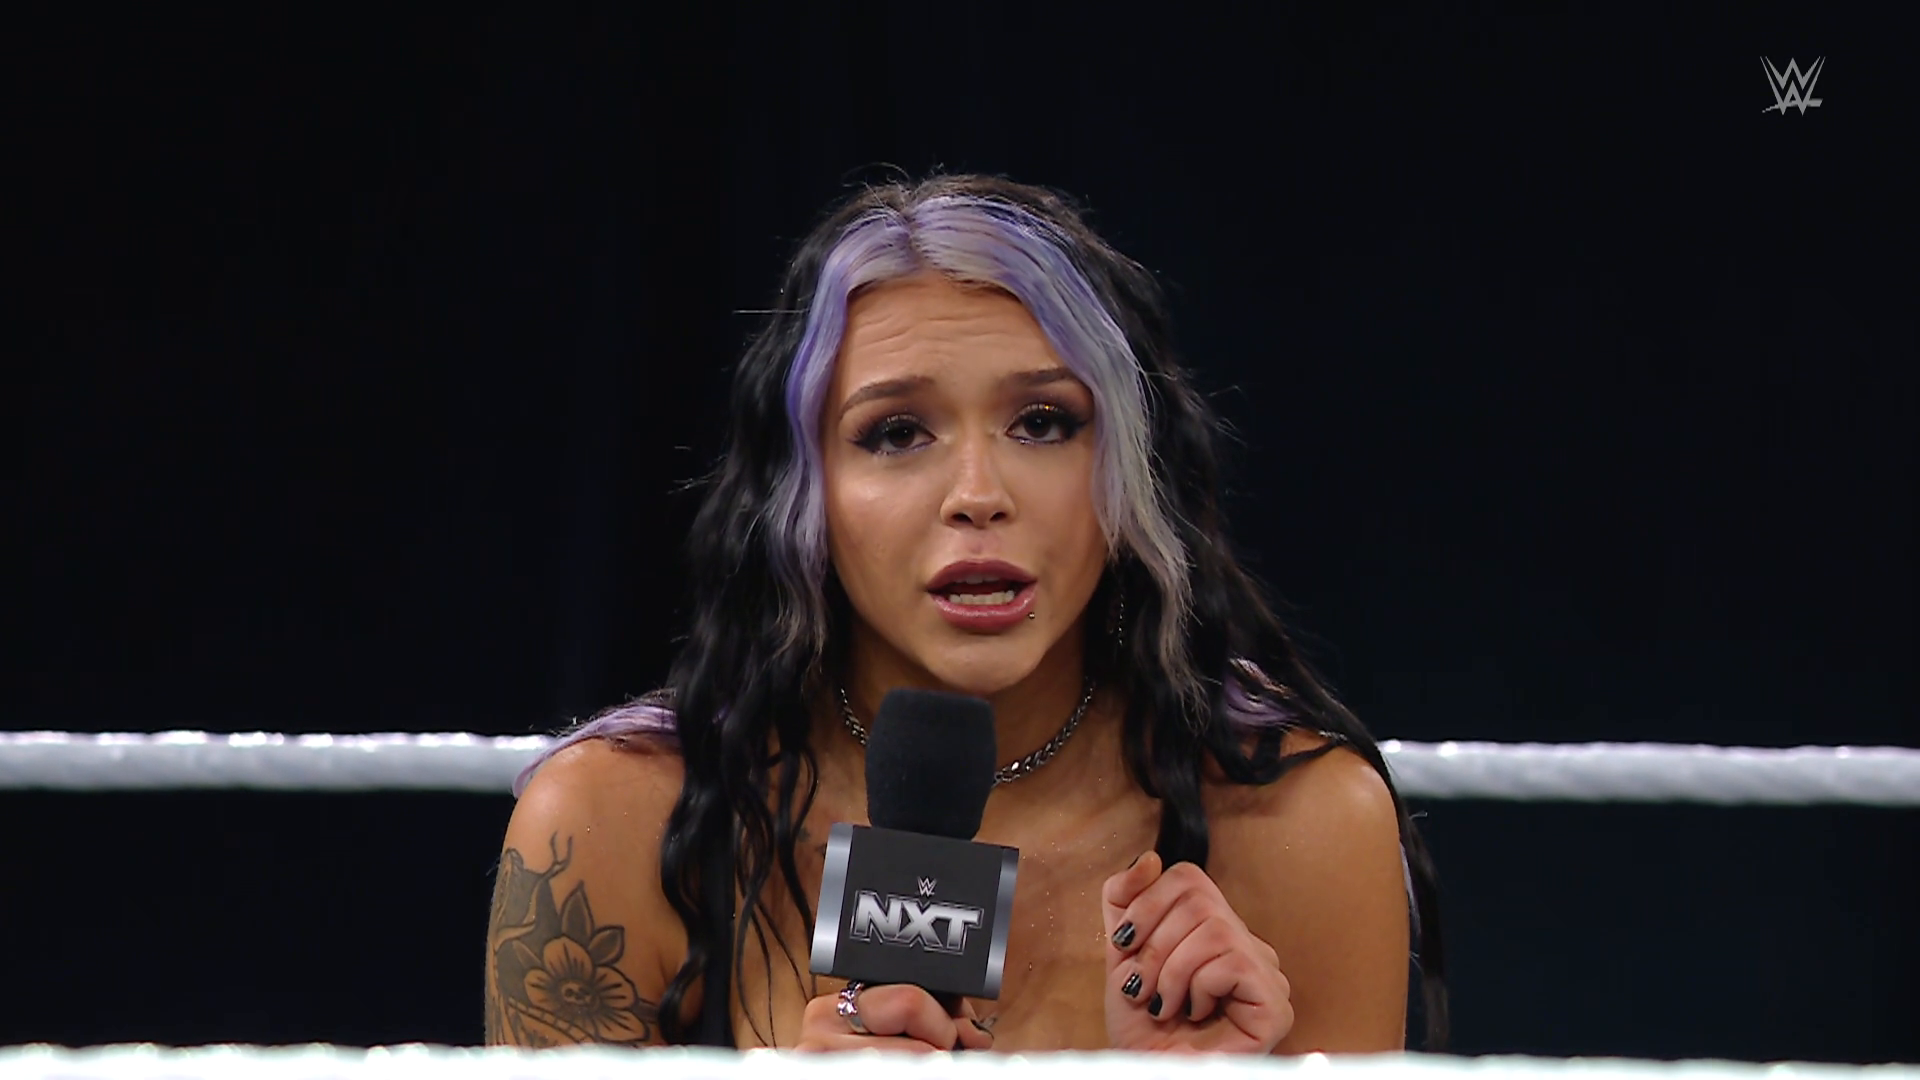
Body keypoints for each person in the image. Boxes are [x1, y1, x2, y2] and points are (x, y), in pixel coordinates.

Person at [484, 173, 1446, 1054]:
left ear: (1127, 472)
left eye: (1043, 423)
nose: (978, 494)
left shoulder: (1302, 825)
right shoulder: (612, 822)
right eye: (897, 432)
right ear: (804, 494)